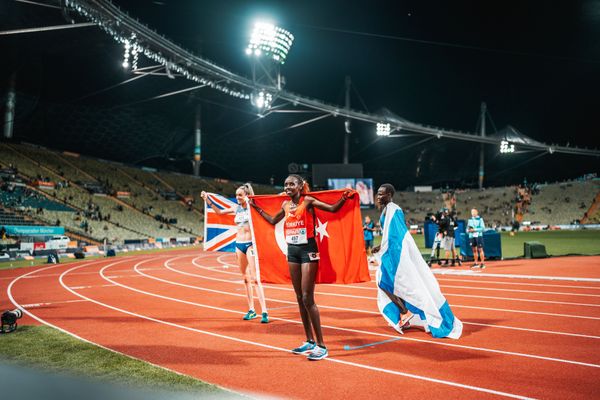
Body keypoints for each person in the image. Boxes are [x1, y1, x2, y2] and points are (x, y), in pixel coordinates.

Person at [250, 174, 352, 361]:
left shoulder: (309, 200)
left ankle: (322, 346)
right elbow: (273, 221)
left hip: (308, 251)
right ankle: (309, 340)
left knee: (307, 297)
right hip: (292, 251)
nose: (287, 186)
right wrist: (256, 208)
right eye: (286, 184)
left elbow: (332, 209)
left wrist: (344, 198)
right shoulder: (285, 205)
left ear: (299, 186)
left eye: (291, 184)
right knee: (298, 297)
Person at [201, 184, 269, 323]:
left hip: (250, 244)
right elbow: (219, 212)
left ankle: (264, 311)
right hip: (238, 245)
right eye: (236, 195)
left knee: (256, 279)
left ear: (247, 195)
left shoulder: (253, 208)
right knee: (245, 279)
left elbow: (269, 208)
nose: (237, 197)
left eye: (240, 195)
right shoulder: (235, 208)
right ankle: (251, 310)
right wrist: (207, 200)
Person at [372, 184, 414, 328]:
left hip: (395, 253)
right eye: (377, 194)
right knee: (395, 285)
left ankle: (405, 312)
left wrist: (386, 249)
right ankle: (404, 315)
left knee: (384, 283)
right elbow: (388, 234)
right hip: (391, 251)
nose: (378, 196)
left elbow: (398, 234)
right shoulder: (387, 210)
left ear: (389, 194)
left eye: (381, 194)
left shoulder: (393, 209)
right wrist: (380, 246)